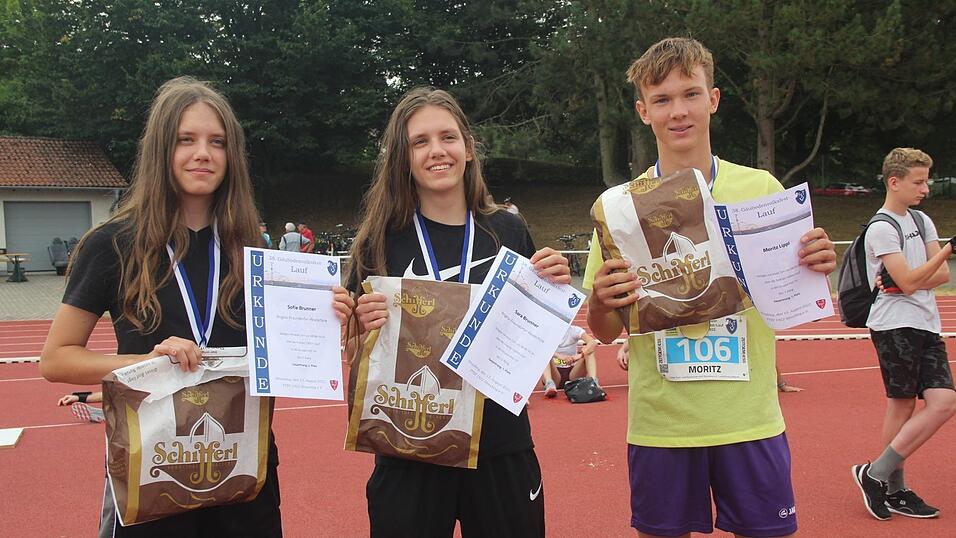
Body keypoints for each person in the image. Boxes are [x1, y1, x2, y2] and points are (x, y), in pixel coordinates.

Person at [38, 76, 354, 537]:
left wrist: (326, 322)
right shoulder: (112, 245)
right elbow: (55, 358)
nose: (202, 153)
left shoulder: (254, 252)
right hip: (155, 467)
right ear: (161, 150)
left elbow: (282, 362)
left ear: (232, 157)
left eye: (217, 142)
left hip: (243, 467)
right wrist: (145, 363)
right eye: (186, 139)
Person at [585, 37, 837, 538]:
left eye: (690, 94)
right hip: (663, 424)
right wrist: (599, 300)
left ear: (713, 99)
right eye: (661, 99)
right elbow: (606, 330)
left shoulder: (762, 188)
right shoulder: (616, 206)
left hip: (750, 419)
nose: (678, 111)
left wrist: (816, 263)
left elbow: (796, 291)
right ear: (642, 111)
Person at [348, 86, 569, 538]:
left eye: (447, 137)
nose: (436, 151)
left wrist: (553, 285)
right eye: (420, 142)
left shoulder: (507, 230)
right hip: (409, 448)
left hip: (500, 445)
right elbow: (355, 353)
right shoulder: (378, 242)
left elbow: (535, 340)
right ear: (403, 159)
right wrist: (357, 327)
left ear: (468, 148)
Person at [851, 147, 956, 521]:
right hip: (894, 322)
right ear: (894, 182)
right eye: (919, 182)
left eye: (926, 180)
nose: (925, 189)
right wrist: (945, 253)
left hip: (927, 323)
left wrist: (918, 273)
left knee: (944, 401)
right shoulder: (881, 228)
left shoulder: (922, 221)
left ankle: (875, 474)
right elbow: (913, 281)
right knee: (902, 404)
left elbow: (938, 278)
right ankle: (894, 489)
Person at [541, 324, 600, 398]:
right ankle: (549, 383)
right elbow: (540, 346)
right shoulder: (548, 332)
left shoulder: (575, 330)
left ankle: (593, 382)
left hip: (573, 373)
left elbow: (592, 343)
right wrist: (559, 356)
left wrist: (579, 355)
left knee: (589, 351)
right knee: (543, 354)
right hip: (554, 373)